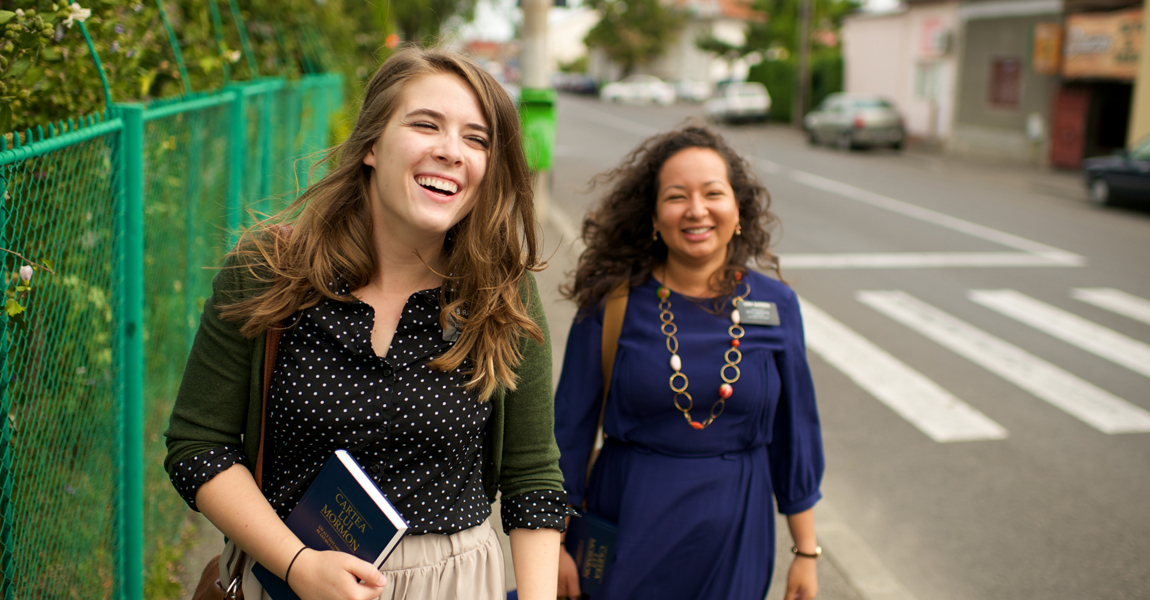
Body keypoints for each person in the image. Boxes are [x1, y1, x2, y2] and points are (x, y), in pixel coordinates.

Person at [164, 46, 569, 600]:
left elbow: (533, 478)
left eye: (477, 139)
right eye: (426, 125)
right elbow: (198, 444)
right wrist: (298, 564)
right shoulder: (268, 270)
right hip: (287, 576)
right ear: (372, 144)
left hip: (453, 584)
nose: (452, 151)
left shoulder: (501, 292)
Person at [554, 126, 824, 600]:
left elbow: (794, 433)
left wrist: (806, 552)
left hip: (737, 527)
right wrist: (552, 541)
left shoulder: (776, 304)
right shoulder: (612, 303)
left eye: (713, 193)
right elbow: (569, 432)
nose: (697, 210)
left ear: (737, 210)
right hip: (628, 518)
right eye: (677, 196)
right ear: (654, 217)